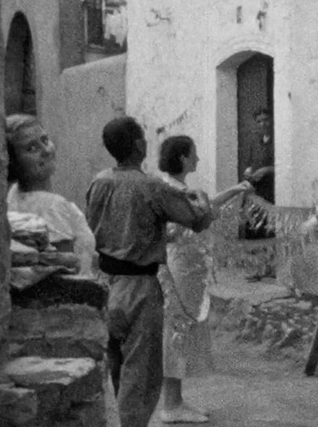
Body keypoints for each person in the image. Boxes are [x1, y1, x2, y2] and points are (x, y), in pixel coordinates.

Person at [85, 117, 214, 427]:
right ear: (140, 145)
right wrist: (203, 203)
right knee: (140, 371)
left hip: (106, 282)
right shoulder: (151, 186)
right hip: (139, 286)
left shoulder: (99, 181)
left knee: (116, 363)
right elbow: (196, 220)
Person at [156, 135, 252, 423]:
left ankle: (176, 400)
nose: (197, 158)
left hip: (188, 269)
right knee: (177, 329)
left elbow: (203, 210)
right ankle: (170, 404)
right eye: (194, 154)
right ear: (184, 158)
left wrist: (235, 190)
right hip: (181, 268)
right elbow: (184, 224)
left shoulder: (178, 189)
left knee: (181, 329)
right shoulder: (172, 191)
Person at [5, 113, 96, 274]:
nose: (46, 150)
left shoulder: (13, 193)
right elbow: (63, 270)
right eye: (31, 148)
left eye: (45, 140)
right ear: (14, 162)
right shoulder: (53, 207)